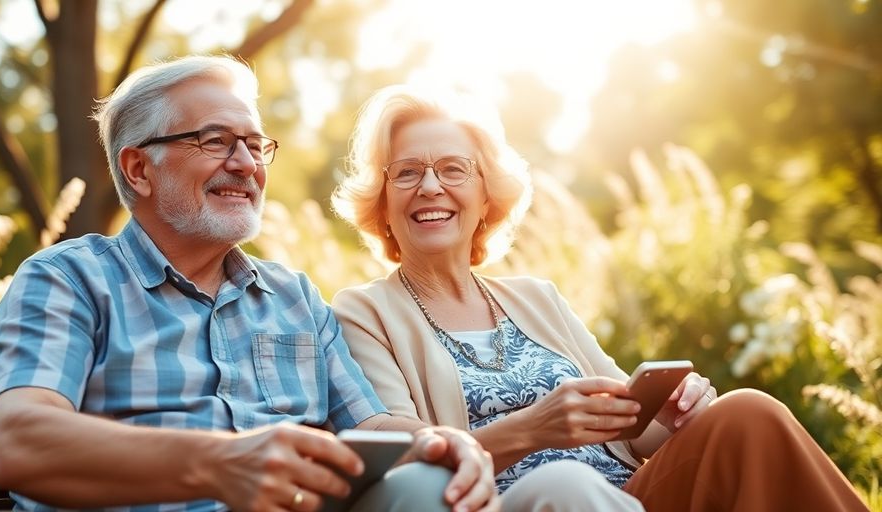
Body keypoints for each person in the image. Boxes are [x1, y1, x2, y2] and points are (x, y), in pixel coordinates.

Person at [0, 56, 499, 512]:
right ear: (138, 169)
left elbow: (371, 426)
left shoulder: (293, 297)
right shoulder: (70, 279)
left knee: (433, 481)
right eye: (216, 141)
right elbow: (21, 442)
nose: (247, 164)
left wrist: (442, 442)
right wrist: (219, 461)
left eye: (253, 144)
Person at [330, 84, 870, 512]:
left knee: (747, 411)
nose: (430, 187)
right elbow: (393, 446)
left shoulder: (536, 298)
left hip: (624, 495)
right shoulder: (363, 312)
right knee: (565, 485)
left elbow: (632, 430)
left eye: (453, 169)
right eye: (406, 172)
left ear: (485, 194)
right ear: (380, 200)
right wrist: (532, 429)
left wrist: (675, 415)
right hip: (512, 503)